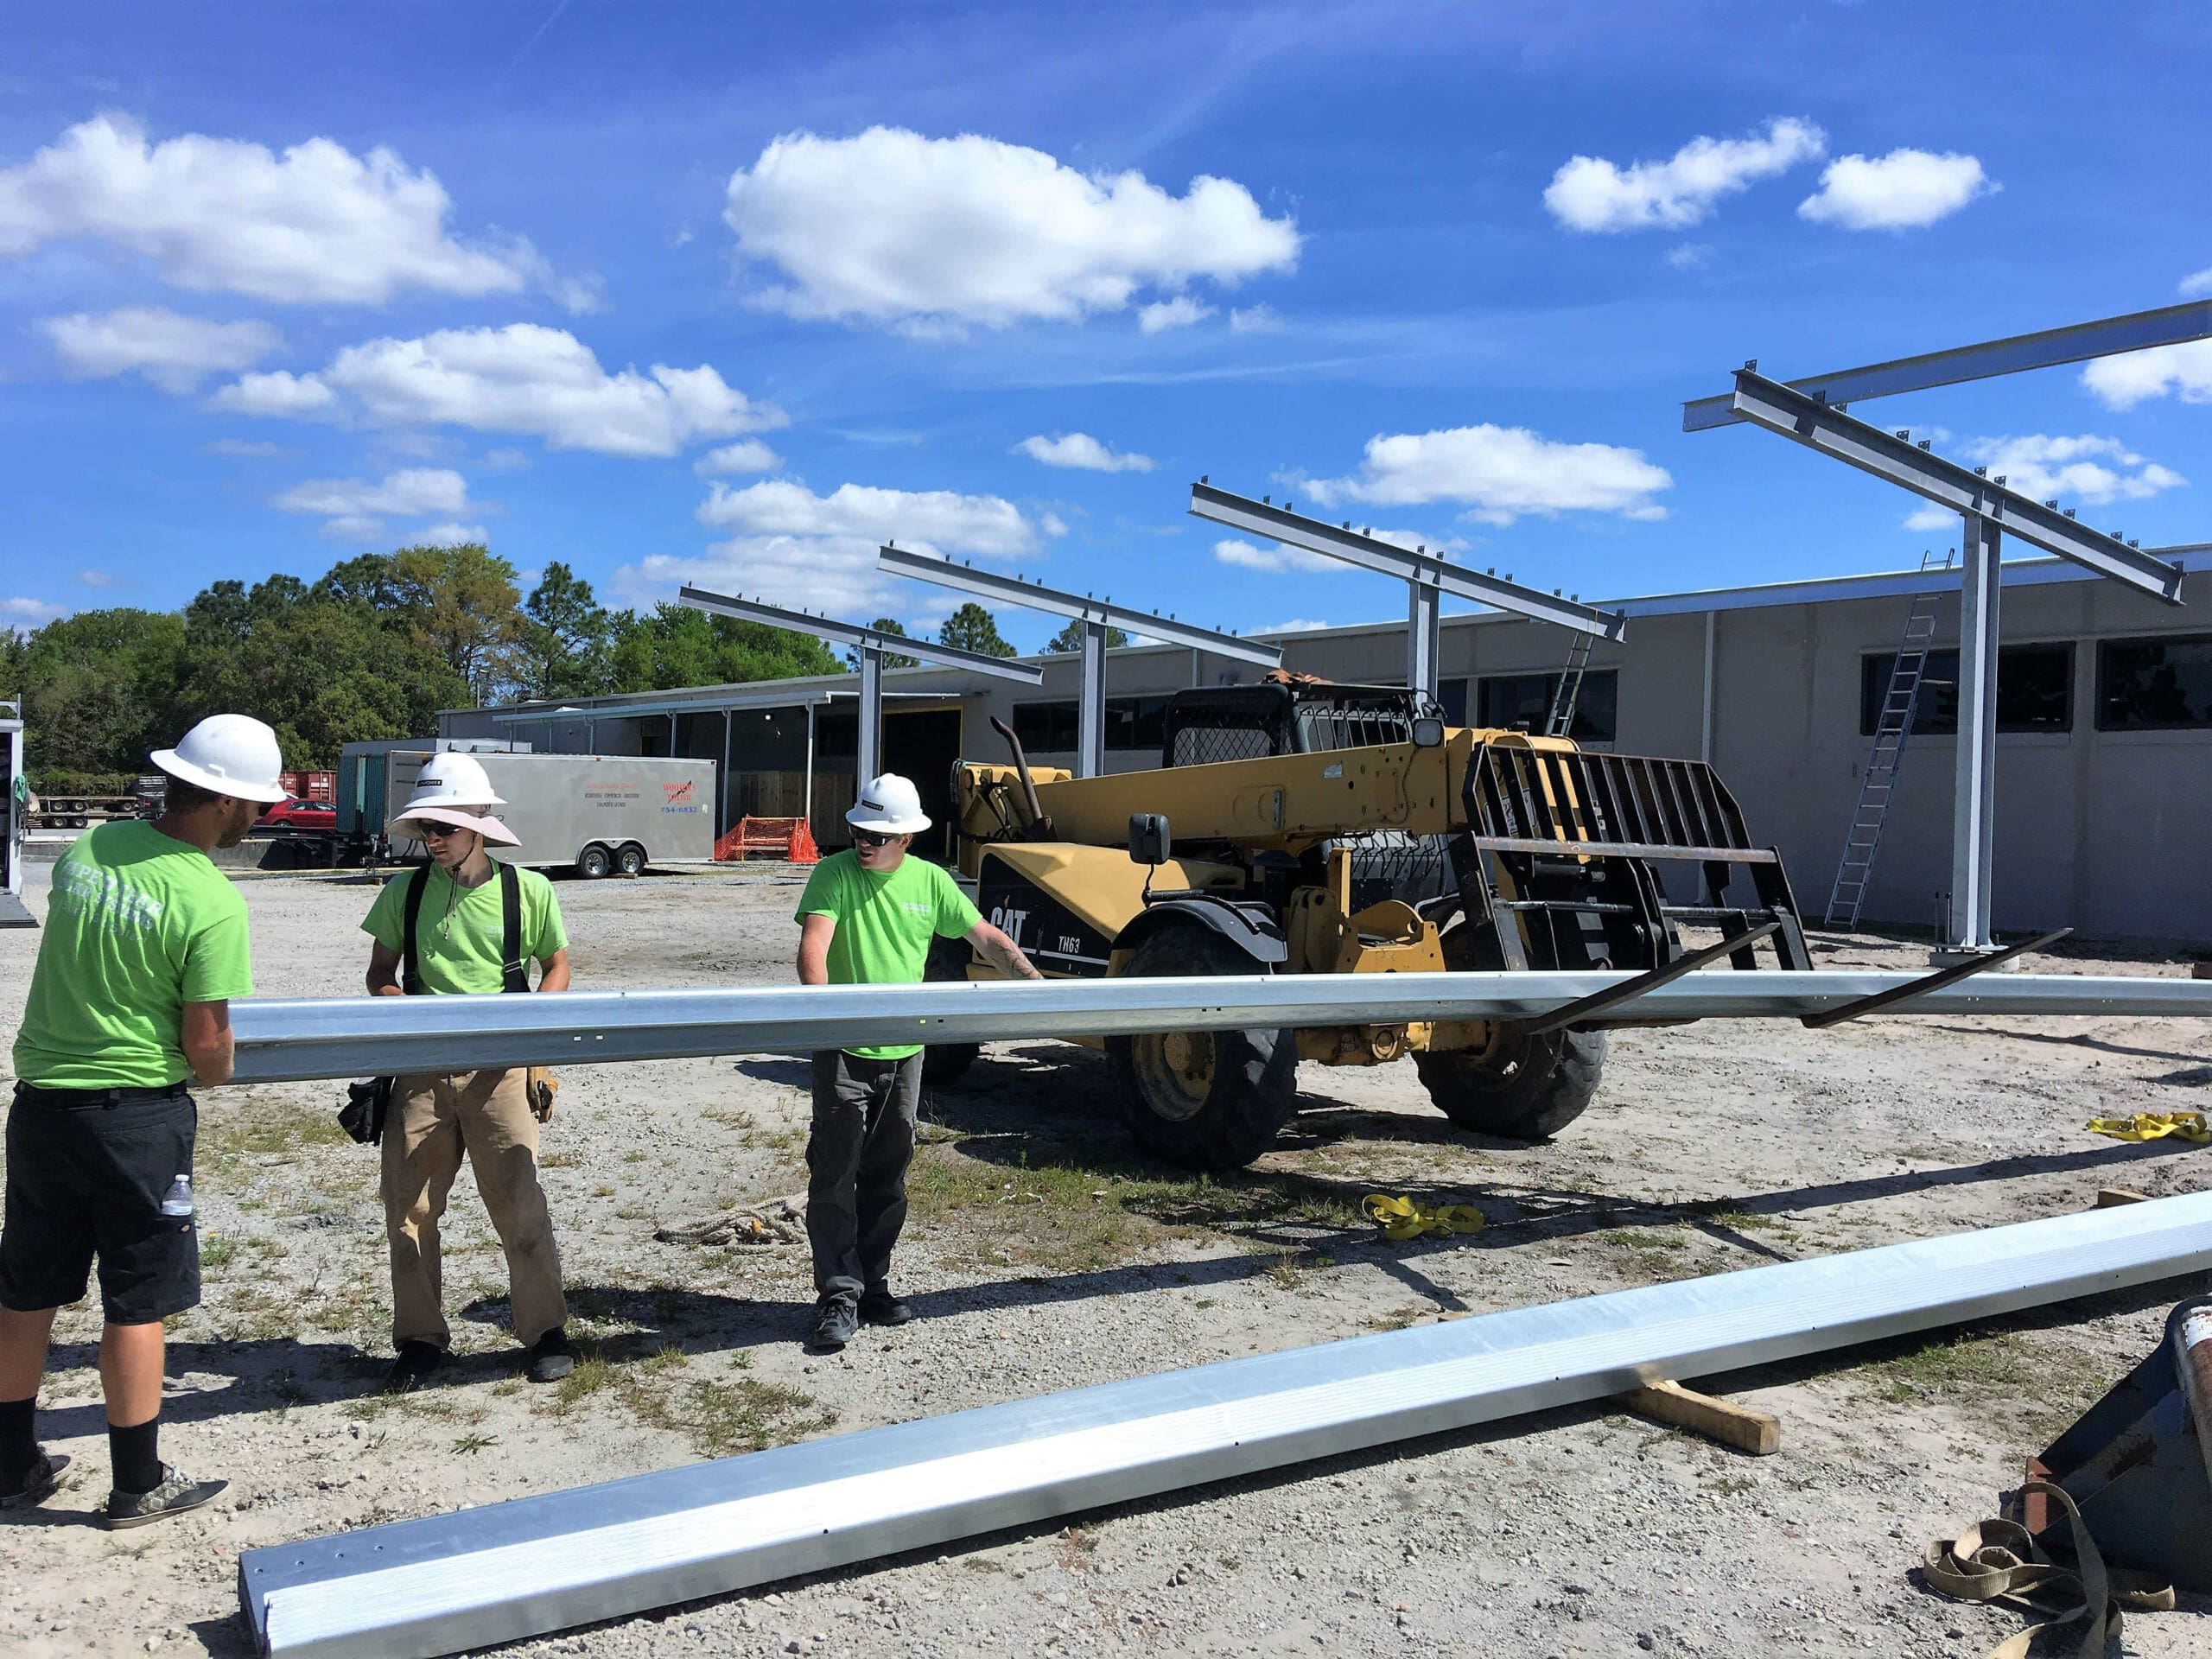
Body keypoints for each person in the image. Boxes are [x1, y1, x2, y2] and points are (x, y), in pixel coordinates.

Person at [1, 714, 287, 1526]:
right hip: (135, 1119)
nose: (259, 818)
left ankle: (11, 1462)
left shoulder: (91, 853)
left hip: (45, 1106)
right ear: (229, 803)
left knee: (27, 1293)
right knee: (136, 1300)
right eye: (257, 805)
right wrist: (227, 1066)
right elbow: (206, 1045)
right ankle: (137, 1483)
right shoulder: (210, 901)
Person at [794, 772, 1039, 1351]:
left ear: (906, 837)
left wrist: (1036, 986)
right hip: (844, 1050)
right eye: (860, 829)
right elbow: (813, 950)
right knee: (835, 1174)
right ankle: (838, 1295)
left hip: (905, 1052)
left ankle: (872, 1286)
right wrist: (824, 1013)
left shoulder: (930, 882)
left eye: (878, 832)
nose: (865, 840)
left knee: (888, 1173)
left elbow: (986, 938)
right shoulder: (832, 876)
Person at [360, 753, 575, 1391]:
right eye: (428, 828)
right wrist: (401, 1013)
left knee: (518, 1204)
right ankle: (421, 1343)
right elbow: (380, 975)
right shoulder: (402, 893)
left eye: (446, 828)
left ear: (480, 824)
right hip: (420, 1072)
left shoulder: (528, 891)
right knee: (410, 1211)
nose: (435, 839)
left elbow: (557, 967)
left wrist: (533, 1032)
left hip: (502, 1072)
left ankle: (545, 1334)